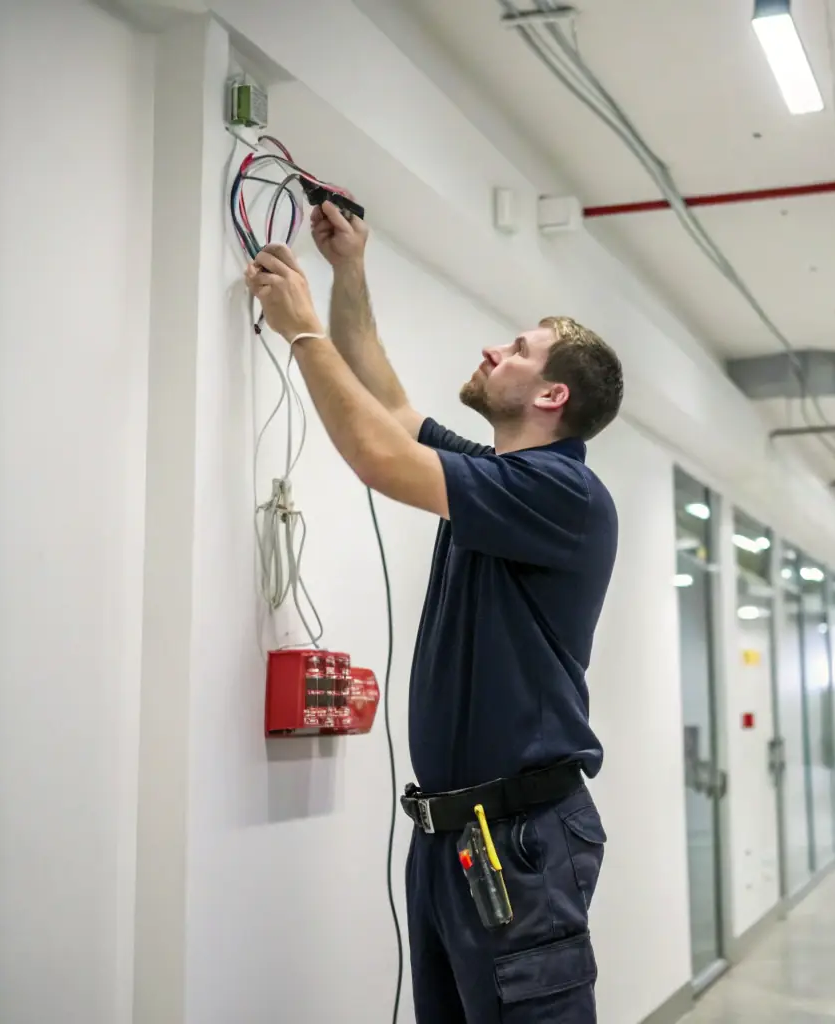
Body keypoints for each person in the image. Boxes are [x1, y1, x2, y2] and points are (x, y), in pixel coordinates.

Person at [244, 200, 624, 1023]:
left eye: (517, 349)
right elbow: (384, 400)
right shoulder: (499, 480)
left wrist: (300, 331)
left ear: (552, 393)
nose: (494, 348)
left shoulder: (562, 494)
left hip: (517, 843)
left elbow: (377, 457)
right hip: (451, 839)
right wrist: (348, 274)